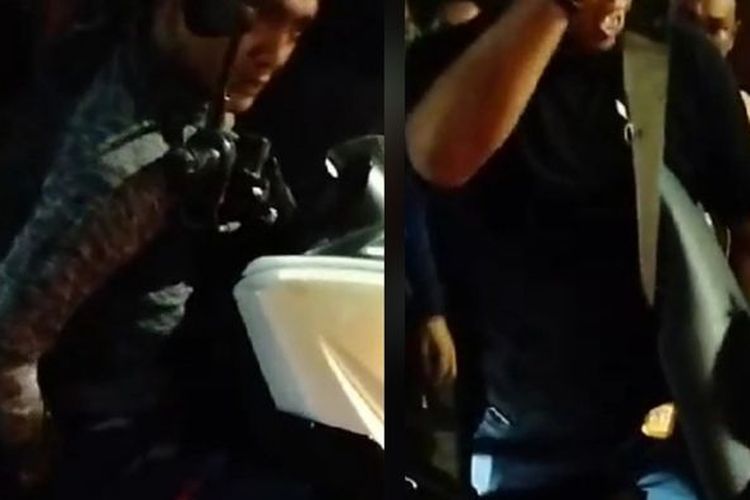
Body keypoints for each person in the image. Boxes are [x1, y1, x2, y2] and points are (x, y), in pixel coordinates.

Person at [406, 0, 750, 498]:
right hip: (520, 443)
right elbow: (441, 159)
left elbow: (743, 224)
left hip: (669, 431)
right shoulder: (445, 65)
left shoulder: (681, 62)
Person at [0, 0, 318, 495]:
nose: (275, 55)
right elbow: (8, 349)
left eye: (296, 31)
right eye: (257, 16)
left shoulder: (141, 55)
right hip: (108, 418)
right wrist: (37, 460)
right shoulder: (135, 172)